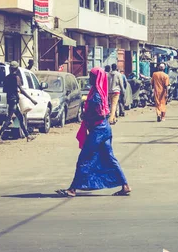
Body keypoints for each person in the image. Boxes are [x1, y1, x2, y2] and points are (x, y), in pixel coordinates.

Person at [56, 67, 131, 197]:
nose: (90, 78)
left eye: (91, 76)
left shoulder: (96, 95)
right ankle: (125, 185)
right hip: (104, 129)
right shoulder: (99, 92)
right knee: (109, 157)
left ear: (96, 78)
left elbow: (98, 114)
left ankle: (73, 189)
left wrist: (86, 117)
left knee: (84, 158)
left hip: (98, 130)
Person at [0, 61, 37, 142]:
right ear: (17, 69)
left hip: (10, 100)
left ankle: (28, 136)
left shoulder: (6, 78)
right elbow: (22, 90)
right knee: (9, 119)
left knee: (20, 118)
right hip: (14, 100)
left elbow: (4, 90)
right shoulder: (16, 78)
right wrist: (31, 99)